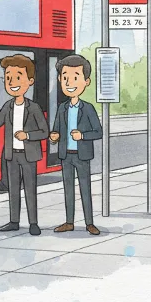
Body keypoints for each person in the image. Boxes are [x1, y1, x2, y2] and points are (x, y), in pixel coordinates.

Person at [0, 54, 48, 235]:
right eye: (8, 78)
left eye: (17, 77)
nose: (12, 82)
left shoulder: (34, 108)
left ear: (30, 81)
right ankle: (14, 221)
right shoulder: (8, 106)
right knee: (13, 189)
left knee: (30, 190)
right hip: (11, 155)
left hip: (28, 155)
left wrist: (27, 135)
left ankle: (33, 223)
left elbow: (44, 132)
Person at [49, 54, 104, 236]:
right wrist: (54, 137)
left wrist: (82, 136)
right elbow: (55, 130)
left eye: (75, 78)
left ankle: (89, 223)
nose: (69, 82)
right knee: (68, 190)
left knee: (85, 189)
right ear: (59, 80)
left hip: (82, 155)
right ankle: (69, 222)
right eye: (65, 78)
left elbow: (99, 132)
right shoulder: (62, 108)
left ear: (86, 82)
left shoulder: (87, 108)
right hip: (66, 155)